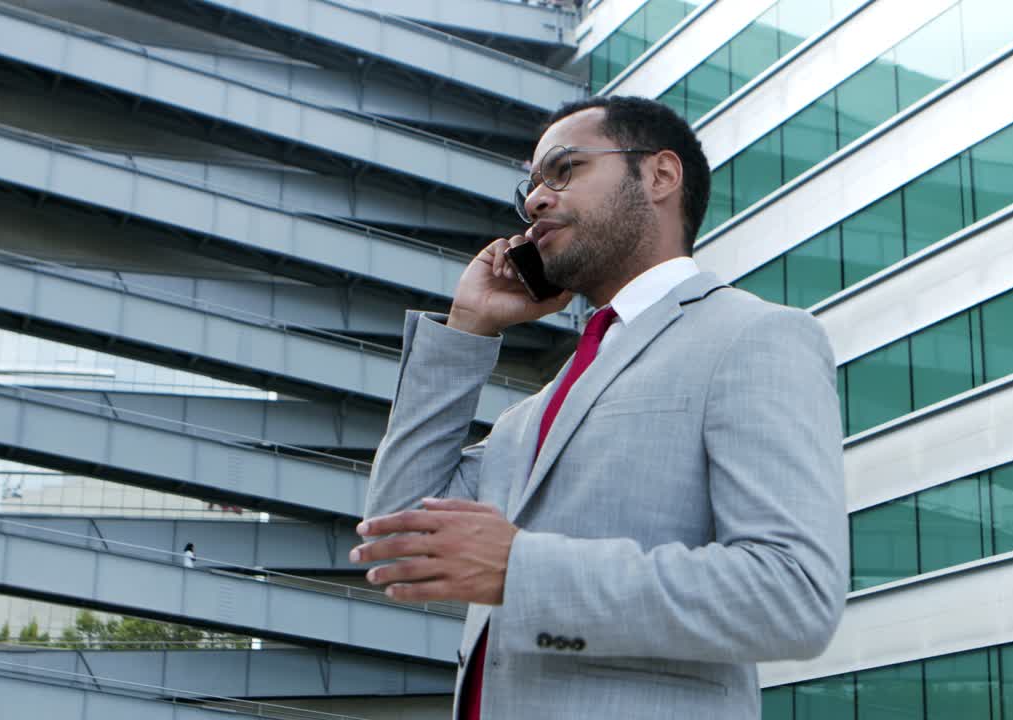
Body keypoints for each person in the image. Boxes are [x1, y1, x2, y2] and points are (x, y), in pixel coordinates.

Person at [352, 96, 847, 720]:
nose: (535, 201)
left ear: (660, 176)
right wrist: (467, 330)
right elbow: (399, 536)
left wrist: (522, 569)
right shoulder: (533, 415)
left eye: (564, 170)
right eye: (529, 187)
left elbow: (792, 593)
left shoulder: (756, 337)